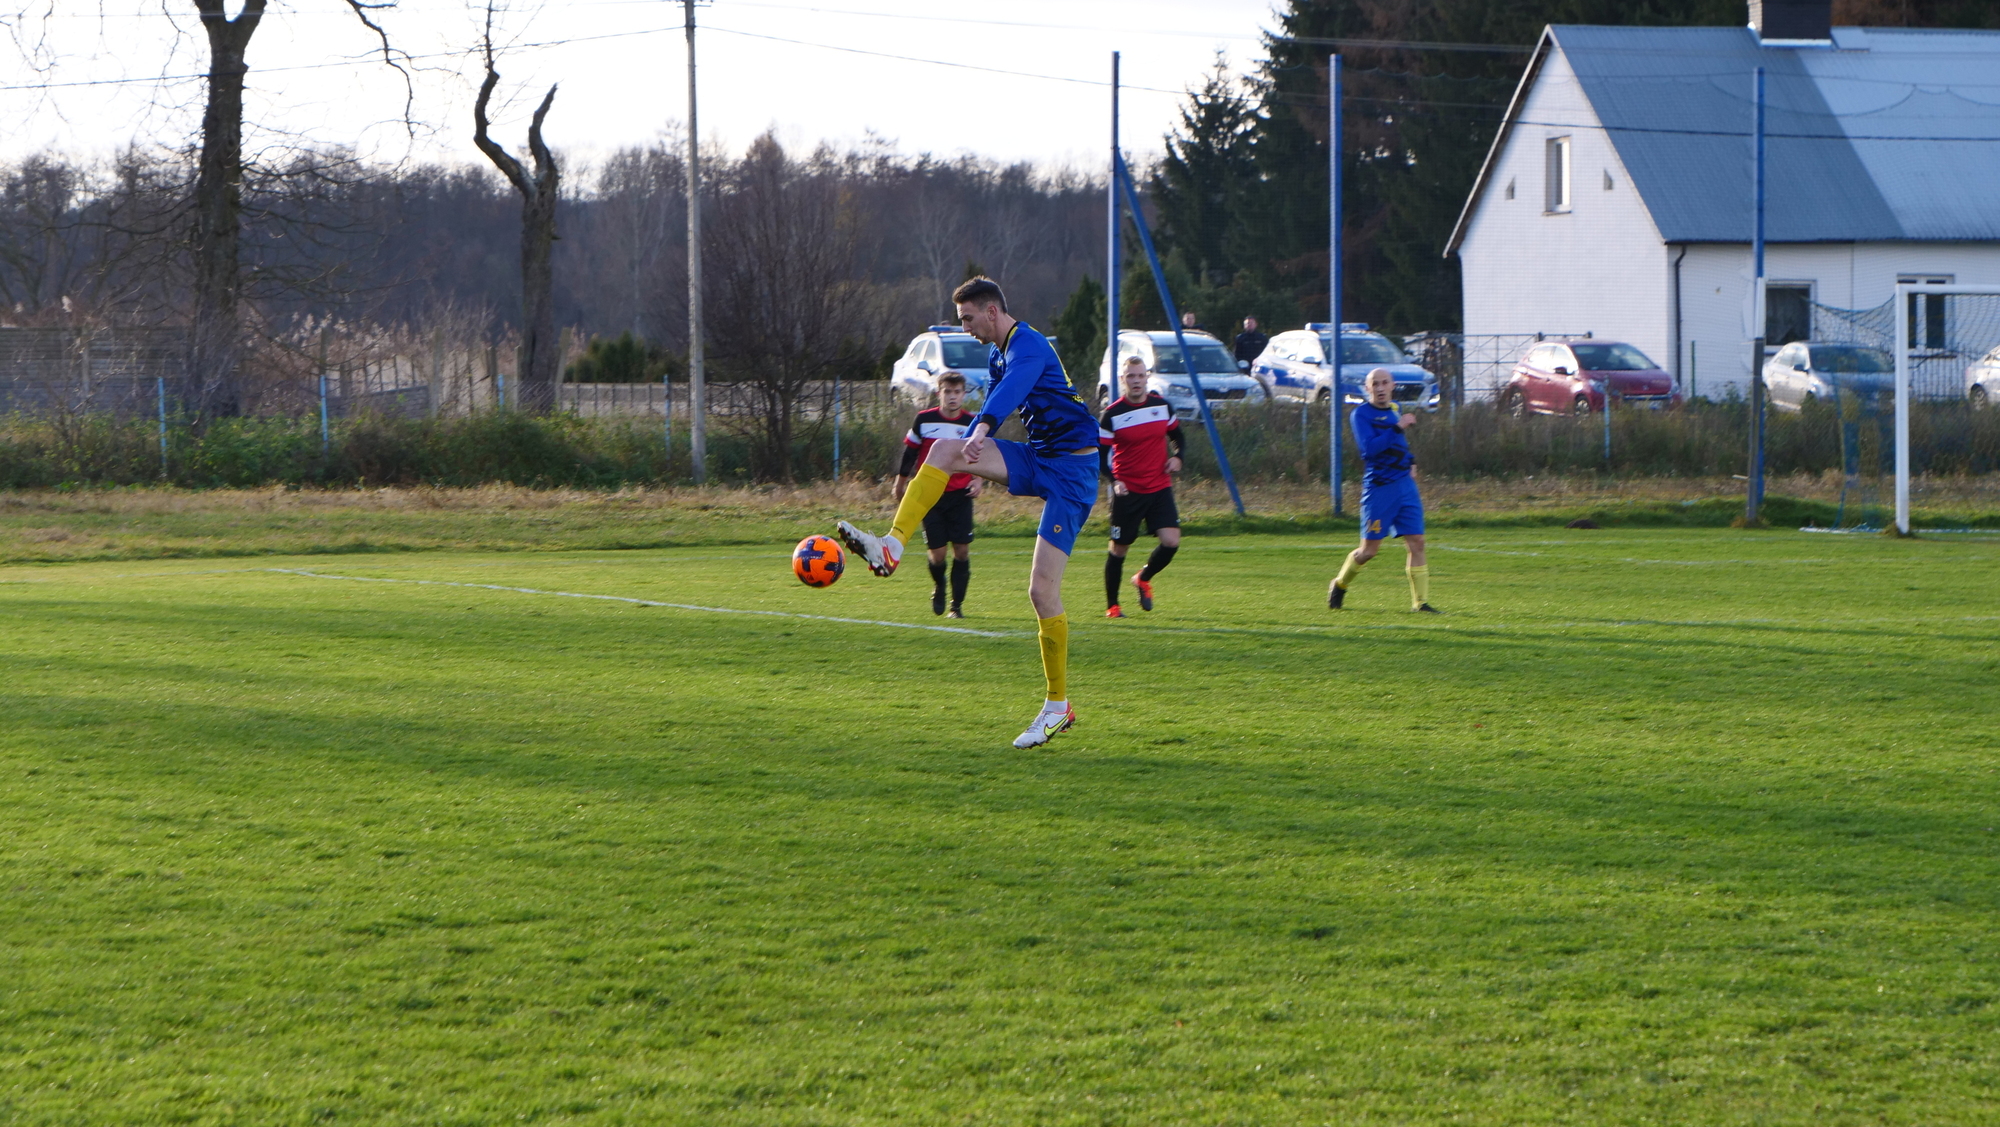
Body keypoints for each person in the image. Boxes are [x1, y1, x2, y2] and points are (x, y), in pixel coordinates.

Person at [836, 276, 1101, 748]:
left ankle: (1057, 707)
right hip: (1039, 457)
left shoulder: (1029, 344)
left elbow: (1011, 391)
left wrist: (981, 430)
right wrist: (977, 445)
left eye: (968, 319)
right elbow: (998, 396)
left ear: (992, 311)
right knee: (942, 450)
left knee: (1041, 592)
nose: (966, 328)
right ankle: (891, 546)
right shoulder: (998, 353)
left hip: (1073, 472)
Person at [1329, 367, 1437, 614]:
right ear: (1367, 388)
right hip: (1379, 488)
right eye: (1374, 384)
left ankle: (1420, 604)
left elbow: (1399, 444)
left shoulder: (1395, 409)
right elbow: (1369, 449)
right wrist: (1398, 427)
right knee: (1369, 551)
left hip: (1405, 486)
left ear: (1392, 385)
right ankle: (1339, 584)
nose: (1380, 388)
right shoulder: (1361, 414)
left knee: (1417, 542)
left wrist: (1411, 461)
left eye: (1384, 383)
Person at [1099, 355, 1184, 618]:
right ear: (1122, 380)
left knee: (1171, 541)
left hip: (1159, 487)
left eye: (1140, 375)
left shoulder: (1162, 406)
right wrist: (1115, 481)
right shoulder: (1112, 414)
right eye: (1130, 376)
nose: (1136, 381)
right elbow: (1100, 456)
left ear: (1147, 377)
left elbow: (1178, 437)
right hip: (1128, 491)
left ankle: (1143, 578)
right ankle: (1113, 606)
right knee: (1119, 549)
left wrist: (1178, 457)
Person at [894, 370, 981, 618]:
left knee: (962, 550)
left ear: (963, 394)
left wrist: (978, 480)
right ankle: (940, 586)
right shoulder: (924, 420)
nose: (952, 397)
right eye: (947, 392)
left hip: (960, 495)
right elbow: (910, 453)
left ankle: (956, 606)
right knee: (938, 554)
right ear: (938, 393)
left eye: (957, 392)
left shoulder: (972, 423)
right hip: (930, 496)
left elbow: (981, 456)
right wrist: (900, 483)